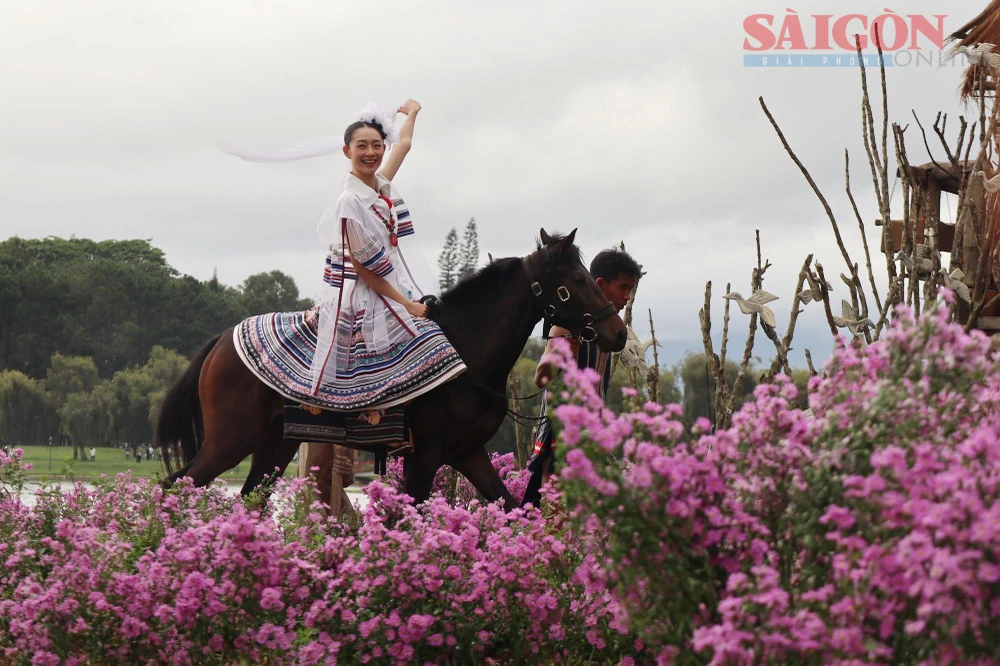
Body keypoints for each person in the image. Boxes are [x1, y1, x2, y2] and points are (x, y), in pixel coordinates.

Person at [221, 100, 466, 454]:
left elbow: (406, 145)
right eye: (361, 146)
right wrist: (406, 305)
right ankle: (382, 426)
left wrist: (410, 115)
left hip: (391, 287)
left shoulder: (380, 185)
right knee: (418, 345)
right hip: (364, 292)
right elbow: (364, 269)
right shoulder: (349, 201)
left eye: (376, 145)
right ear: (346, 151)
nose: (371, 153)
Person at [520, 248, 641, 507]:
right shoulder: (566, 326)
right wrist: (558, 358)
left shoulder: (608, 331)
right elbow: (540, 380)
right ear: (599, 285)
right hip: (561, 434)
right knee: (554, 513)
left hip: (593, 434)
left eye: (630, 289)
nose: (627, 297)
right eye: (622, 287)